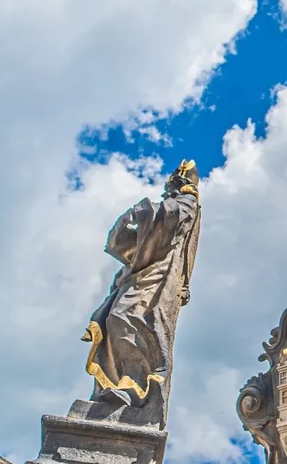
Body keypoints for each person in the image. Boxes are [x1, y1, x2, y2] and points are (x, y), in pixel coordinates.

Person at [81, 159, 201, 427]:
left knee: (127, 319)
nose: (169, 188)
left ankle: (136, 388)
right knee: (113, 321)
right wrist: (126, 224)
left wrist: (143, 210)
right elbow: (128, 244)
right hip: (139, 274)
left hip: (157, 278)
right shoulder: (173, 203)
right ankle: (115, 385)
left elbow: (170, 217)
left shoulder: (187, 202)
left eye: (174, 183)